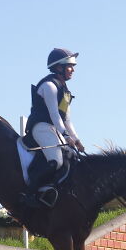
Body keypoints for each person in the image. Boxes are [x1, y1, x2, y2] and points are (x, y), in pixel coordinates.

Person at [21, 48, 85, 207]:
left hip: (54, 128)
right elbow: (54, 114)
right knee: (56, 160)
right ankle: (30, 193)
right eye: (70, 66)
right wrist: (66, 136)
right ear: (59, 67)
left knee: (72, 156)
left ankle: (53, 190)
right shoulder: (49, 86)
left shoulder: (65, 91)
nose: (73, 70)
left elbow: (67, 119)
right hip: (41, 126)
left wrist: (76, 140)